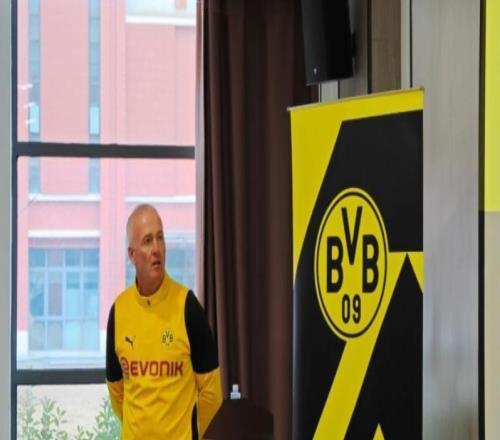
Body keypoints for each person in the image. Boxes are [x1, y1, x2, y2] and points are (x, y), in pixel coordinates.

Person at [106, 204, 222, 439]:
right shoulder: (119, 312)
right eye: (147, 241)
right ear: (132, 254)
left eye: (160, 238)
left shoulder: (188, 307)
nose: (157, 249)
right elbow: (116, 390)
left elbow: (211, 393)